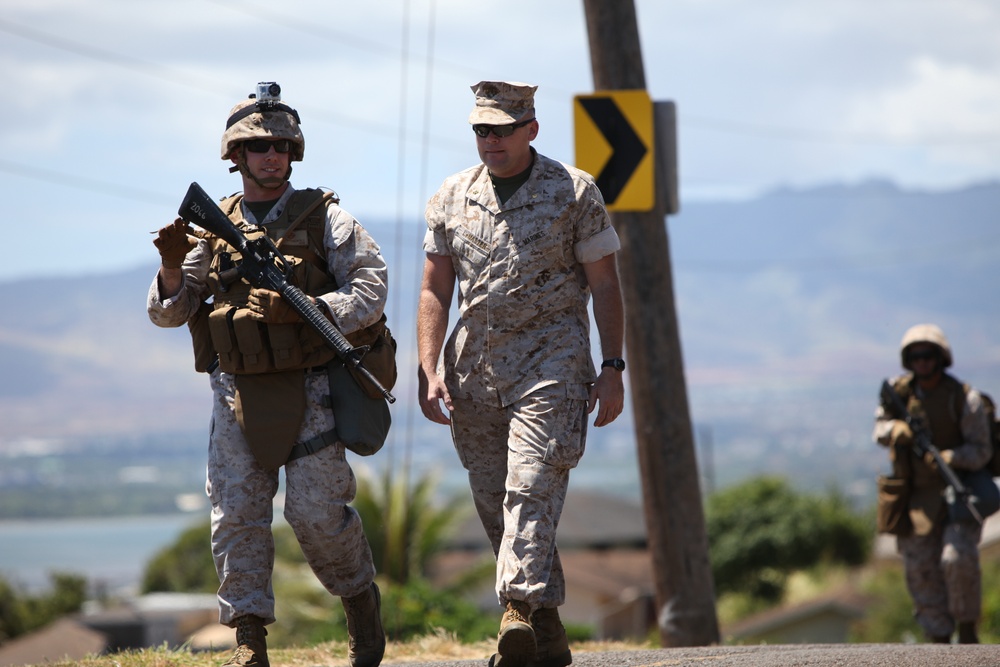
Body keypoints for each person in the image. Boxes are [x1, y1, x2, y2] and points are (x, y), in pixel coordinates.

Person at [147, 82, 387, 667]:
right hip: (237, 392)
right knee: (237, 515)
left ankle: (359, 600)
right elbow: (168, 314)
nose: (271, 155)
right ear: (236, 156)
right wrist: (173, 269)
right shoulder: (211, 226)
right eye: (258, 147)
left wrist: (306, 309)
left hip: (312, 390)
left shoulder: (324, 218)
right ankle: (248, 639)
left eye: (281, 145)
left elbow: (371, 290)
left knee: (315, 515)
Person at [417, 81, 625, 667]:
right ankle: (547, 624)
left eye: (502, 130)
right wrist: (428, 367)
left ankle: (514, 609)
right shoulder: (451, 196)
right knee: (495, 502)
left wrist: (612, 367)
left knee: (530, 485)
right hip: (474, 373)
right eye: (482, 130)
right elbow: (435, 287)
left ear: (531, 129)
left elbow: (605, 285)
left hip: (552, 364)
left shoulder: (573, 191)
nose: (491, 141)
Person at [873, 323, 992, 644]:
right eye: (915, 357)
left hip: (958, 493)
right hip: (917, 499)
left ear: (940, 358)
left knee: (957, 559)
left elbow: (982, 450)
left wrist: (950, 457)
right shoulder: (900, 394)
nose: (922, 362)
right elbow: (879, 428)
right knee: (921, 571)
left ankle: (967, 632)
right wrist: (895, 431)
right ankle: (936, 642)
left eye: (927, 355)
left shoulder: (965, 399)